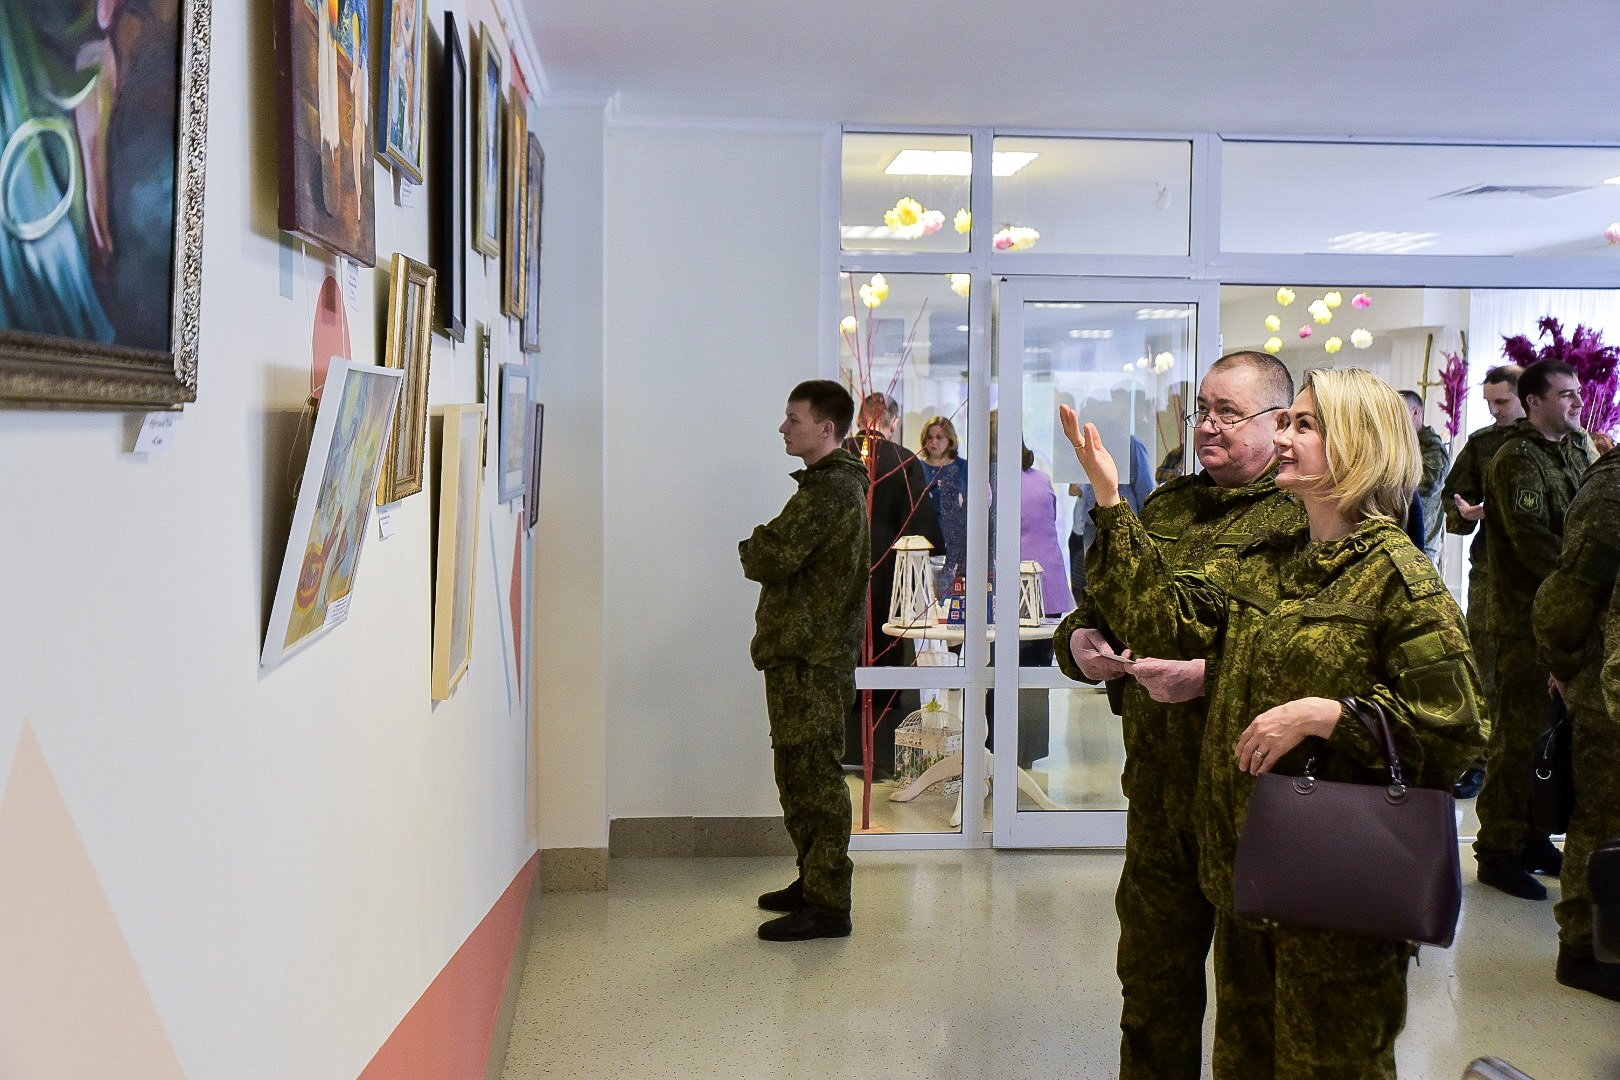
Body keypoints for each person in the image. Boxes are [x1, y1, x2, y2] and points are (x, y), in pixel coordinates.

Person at [1066, 367, 1484, 1080]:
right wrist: (1110, 499)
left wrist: (1334, 716)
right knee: (1245, 1058)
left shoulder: (1400, 579)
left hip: (1336, 884)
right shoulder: (1271, 565)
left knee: (1326, 1064)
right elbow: (1166, 618)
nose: (1285, 438)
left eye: (1303, 425)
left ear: (1359, 445)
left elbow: (1458, 737)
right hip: (1250, 872)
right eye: (1287, 422)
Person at [1053, 350, 1303, 1080]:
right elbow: (1100, 608)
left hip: (1255, 806)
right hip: (1160, 802)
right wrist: (1078, 642)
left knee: (1254, 1006)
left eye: (1230, 412)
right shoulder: (1165, 507)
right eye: (1203, 409)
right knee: (1152, 990)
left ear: (1280, 422)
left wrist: (1210, 677)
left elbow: (1312, 657)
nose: (1208, 426)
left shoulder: (1302, 518)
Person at [739, 380, 870, 941]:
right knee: (797, 775)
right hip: (804, 655)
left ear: (827, 429)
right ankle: (811, 879)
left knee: (814, 780)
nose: (783, 428)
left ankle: (828, 904)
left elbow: (768, 553)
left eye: (794, 419)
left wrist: (754, 547)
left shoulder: (829, 493)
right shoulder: (828, 487)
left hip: (812, 659)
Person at [1475, 360, 1599, 901]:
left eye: (1577, 393)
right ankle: (1497, 851)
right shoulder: (1516, 461)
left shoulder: (1577, 449)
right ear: (1534, 403)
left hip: (1568, 616)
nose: (1576, 402)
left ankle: (1532, 837)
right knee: (1517, 739)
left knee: (1552, 737)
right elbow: (1536, 547)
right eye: (1566, 395)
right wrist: (1593, 581)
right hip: (1524, 624)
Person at [1532, 440, 1620, 1001]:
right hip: (1606, 688)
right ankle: (1584, 948)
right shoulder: (1613, 485)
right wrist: (1564, 665)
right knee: (1604, 819)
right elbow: (1571, 593)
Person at [843, 392, 944, 779]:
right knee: (884, 656)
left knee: (847, 656)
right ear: (892, 422)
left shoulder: (841, 457)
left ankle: (846, 748)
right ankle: (882, 755)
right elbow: (921, 527)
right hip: (889, 573)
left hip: (844, 569)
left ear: (858, 419)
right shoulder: (904, 461)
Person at [1441, 364, 1526, 797]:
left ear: (1526, 397)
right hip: (1493, 572)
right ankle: (1479, 757)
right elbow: (1452, 504)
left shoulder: (1564, 445)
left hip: (1545, 574)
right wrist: (1467, 512)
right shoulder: (1482, 444)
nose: (1495, 411)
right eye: (1489, 403)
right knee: (1483, 665)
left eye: (1502, 402)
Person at [1399, 390, 1450, 562]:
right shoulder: (1403, 443)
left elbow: (1429, 485)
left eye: (1400, 410)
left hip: (1423, 542)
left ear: (1415, 412)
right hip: (1403, 536)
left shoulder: (1431, 446)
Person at [918, 415, 968, 586]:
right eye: (930, 437)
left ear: (950, 439)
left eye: (939, 437)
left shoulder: (963, 467)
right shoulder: (917, 467)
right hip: (926, 537)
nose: (934, 442)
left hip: (955, 539)